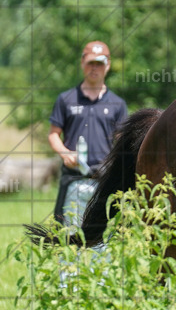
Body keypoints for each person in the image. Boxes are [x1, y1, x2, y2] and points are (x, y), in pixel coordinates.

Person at [49, 41, 128, 225]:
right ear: (82, 63)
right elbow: (53, 134)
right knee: (67, 237)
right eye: (90, 63)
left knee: (103, 239)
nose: (95, 68)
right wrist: (64, 153)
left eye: (99, 64)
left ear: (107, 65)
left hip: (104, 180)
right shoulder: (66, 99)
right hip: (72, 178)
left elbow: (122, 141)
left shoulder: (118, 104)